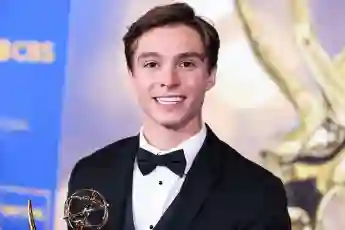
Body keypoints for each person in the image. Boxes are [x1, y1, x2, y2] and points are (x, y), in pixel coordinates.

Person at [67, 3, 291, 230]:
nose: (169, 80)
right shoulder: (90, 173)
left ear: (210, 75)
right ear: (132, 75)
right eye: (152, 64)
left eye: (186, 64)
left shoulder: (258, 193)